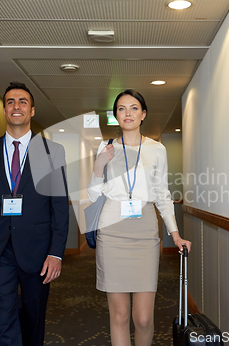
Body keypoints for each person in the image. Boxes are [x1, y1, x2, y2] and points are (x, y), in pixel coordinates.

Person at [87, 89, 191, 346]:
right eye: (121, 109)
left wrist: (175, 234)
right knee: (120, 315)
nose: (128, 113)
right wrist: (99, 165)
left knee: (143, 318)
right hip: (112, 232)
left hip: (145, 232)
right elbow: (92, 194)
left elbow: (162, 194)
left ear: (143, 114)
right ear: (116, 116)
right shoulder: (106, 147)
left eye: (134, 108)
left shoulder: (156, 149)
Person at [0, 82, 69, 346]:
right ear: (5, 110)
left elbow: (59, 207)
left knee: (33, 318)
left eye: (22, 102)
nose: (16, 106)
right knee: (2, 318)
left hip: (38, 251)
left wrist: (56, 252)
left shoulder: (50, 152)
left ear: (32, 111)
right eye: (10, 102)